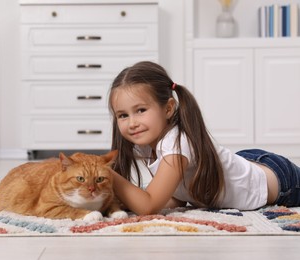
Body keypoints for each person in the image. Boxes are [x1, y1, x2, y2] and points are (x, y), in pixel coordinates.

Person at [108, 60, 300, 215]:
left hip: (281, 181)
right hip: (245, 162)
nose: (132, 122)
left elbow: (149, 206)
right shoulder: (147, 145)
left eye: (140, 110)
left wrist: (108, 174)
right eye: (123, 115)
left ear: (168, 108)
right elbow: (176, 195)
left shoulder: (177, 144)